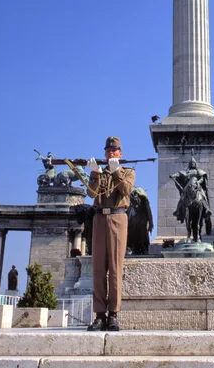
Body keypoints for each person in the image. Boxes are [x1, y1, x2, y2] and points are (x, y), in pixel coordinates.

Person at [86, 136, 135, 332]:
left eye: (114, 150)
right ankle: (99, 315)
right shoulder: (99, 171)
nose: (111, 153)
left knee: (115, 268)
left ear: (120, 153)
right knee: (98, 268)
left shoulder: (128, 171)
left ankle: (113, 314)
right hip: (99, 218)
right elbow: (91, 194)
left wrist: (116, 172)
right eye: (108, 150)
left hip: (117, 217)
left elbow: (125, 190)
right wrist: (95, 174)